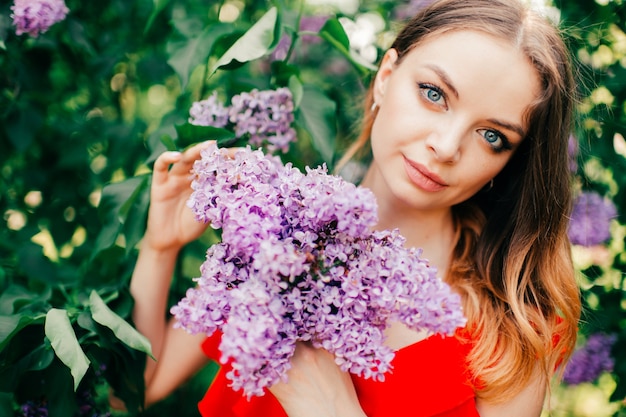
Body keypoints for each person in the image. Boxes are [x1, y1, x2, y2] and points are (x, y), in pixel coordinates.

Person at [127, 0, 582, 415]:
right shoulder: (276, 230)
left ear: (509, 162)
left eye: (492, 136)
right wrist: (159, 246)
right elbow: (133, 391)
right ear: (386, 78)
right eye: (434, 93)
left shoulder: (518, 330)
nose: (445, 147)